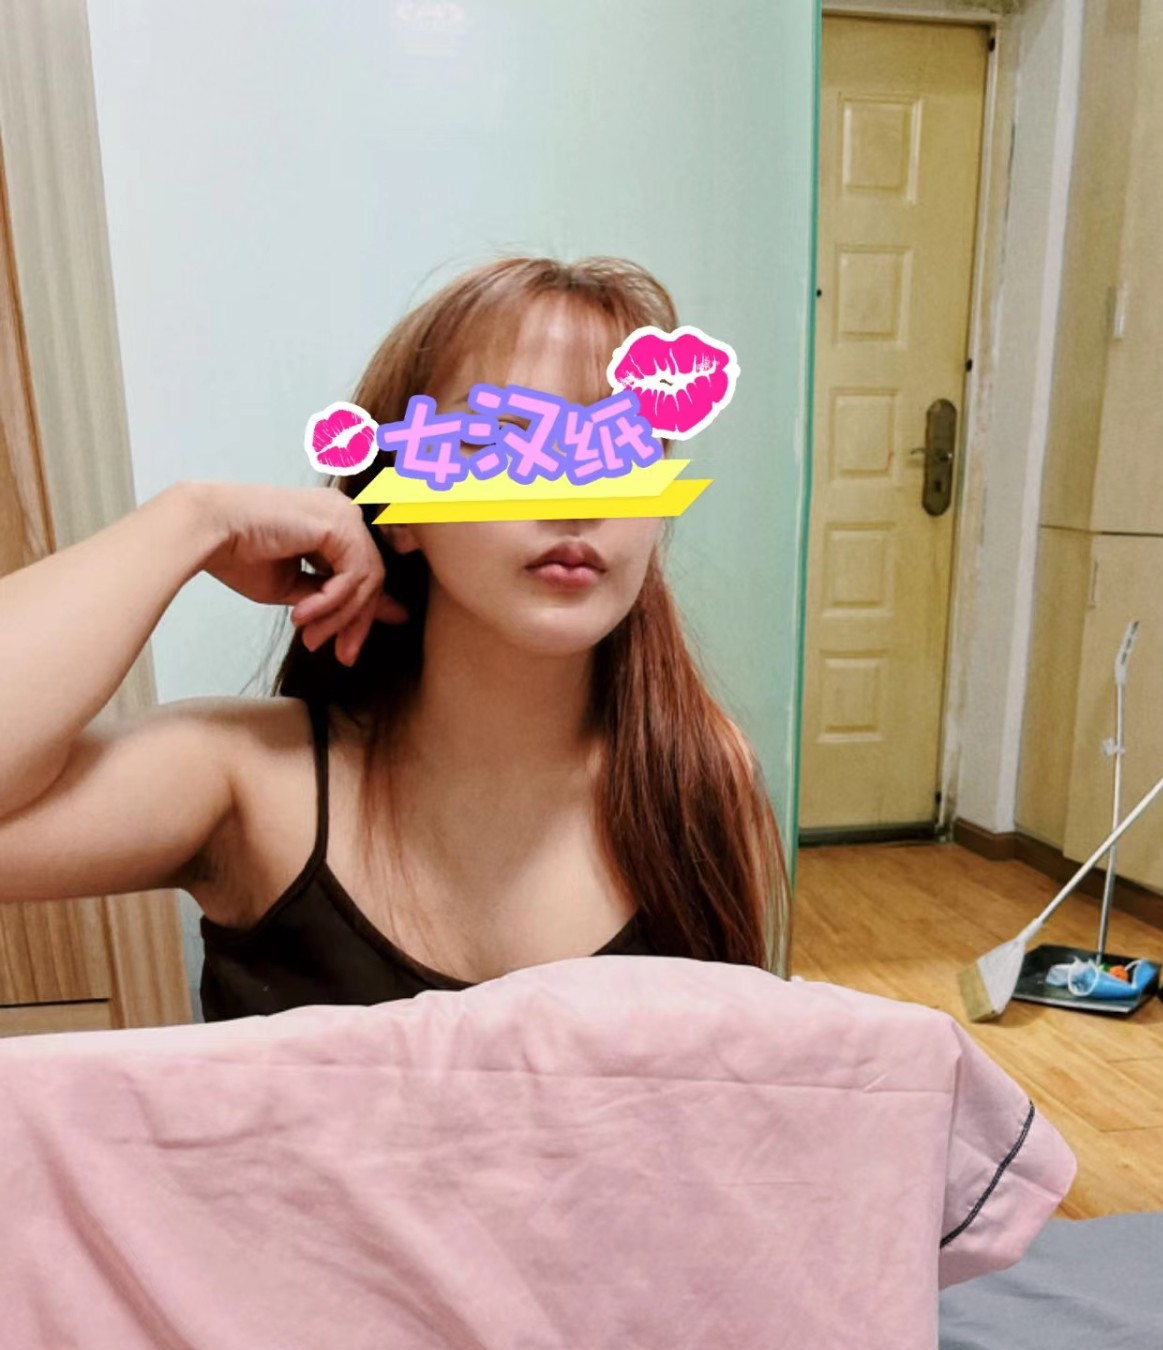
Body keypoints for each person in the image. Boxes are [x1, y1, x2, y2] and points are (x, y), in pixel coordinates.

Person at [0, 255, 791, 1022]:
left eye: (623, 446)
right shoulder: (249, 784)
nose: (576, 491)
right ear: (403, 507)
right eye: (504, 439)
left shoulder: (701, 790)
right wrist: (190, 521)